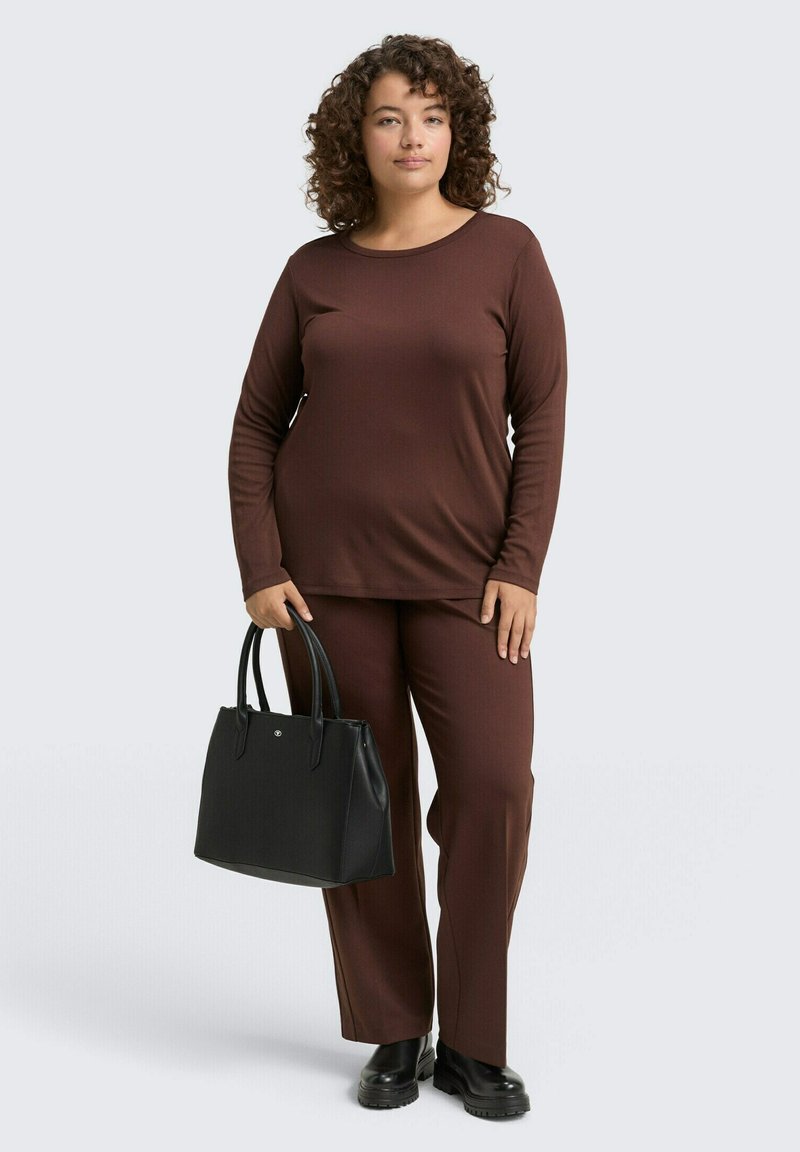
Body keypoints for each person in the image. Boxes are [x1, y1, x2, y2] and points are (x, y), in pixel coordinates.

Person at [227, 33, 568, 1120]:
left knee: (493, 790)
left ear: (458, 131)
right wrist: (260, 566)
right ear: (357, 138)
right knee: (358, 808)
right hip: (323, 590)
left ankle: (472, 1041)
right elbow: (255, 425)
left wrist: (521, 565)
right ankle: (392, 1028)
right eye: (388, 117)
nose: (411, 136)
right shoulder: (313, 272)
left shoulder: (507, 253)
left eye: (430, 115)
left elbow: (542, 418)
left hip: (470, 584)